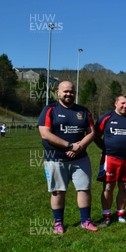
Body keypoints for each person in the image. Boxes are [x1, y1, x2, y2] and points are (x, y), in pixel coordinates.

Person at [38, 81, 97, 234]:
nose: (69, 94)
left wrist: (79, 148)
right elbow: (45, 133)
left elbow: (91, 132)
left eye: (71, 91)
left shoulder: (83, 111)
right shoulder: (49, 109)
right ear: (58, 93)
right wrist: (69, 146)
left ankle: (86, 221)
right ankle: (58, 223)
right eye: (65, 91)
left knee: (84, 189)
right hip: (55, 159)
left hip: (80, 158)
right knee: (58, 191)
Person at [94, 95, 126, 227]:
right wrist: (105, 148)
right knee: (108, 186)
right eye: (122, 103)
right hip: (110, 158)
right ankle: (106, 216)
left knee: (125, 187)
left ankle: (121, 215)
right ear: (116, 103)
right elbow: (96, 135)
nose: (125, 106)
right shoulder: (106, 117)